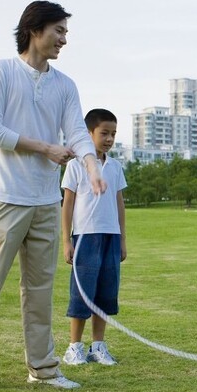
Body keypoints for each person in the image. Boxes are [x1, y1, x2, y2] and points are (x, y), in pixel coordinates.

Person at [0, 1, 106, 392]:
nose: (64, 39)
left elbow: (75, 130)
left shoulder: (65, 84)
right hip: (5, 199)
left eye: (66, 33)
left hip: (45, 203)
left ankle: (43, 369)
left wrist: (90, 166)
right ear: (34, 30)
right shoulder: (1, 72)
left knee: (39, 293)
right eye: (59, 30)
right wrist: (44, 148)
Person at [61, 108, 127, 367]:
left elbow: (119, 204)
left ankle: (98, 346)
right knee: (81, 294)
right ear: (89, 134)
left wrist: (122, 239)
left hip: (110, 236)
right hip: (85, 238)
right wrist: (67, 241)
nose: (109, 138)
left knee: (106, 293)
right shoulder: (77, 165)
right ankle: (74, 347)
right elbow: (67, 205)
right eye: (104, 133)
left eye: (113, 134)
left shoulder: (115, 166)